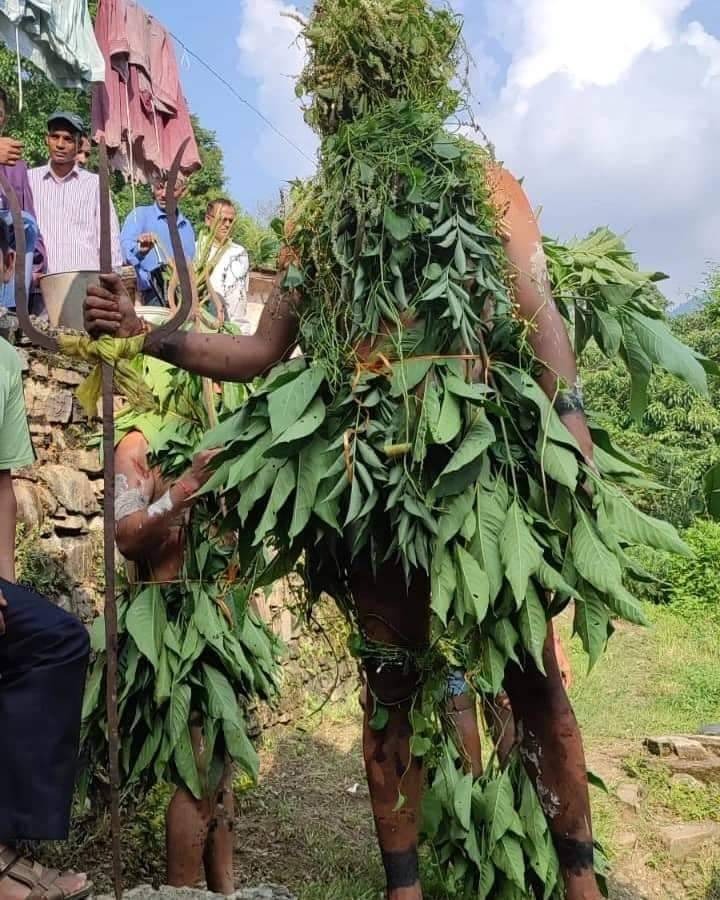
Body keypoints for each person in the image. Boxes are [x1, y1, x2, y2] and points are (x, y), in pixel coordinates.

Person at [85, 5, 684, 898]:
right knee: (392, 684)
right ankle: (403, 888)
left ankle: (580, 886)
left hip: (477, 461)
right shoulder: (322, 212)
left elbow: (540, 316)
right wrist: (148, 336)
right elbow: (258, 355)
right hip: (373, 473)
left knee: (535, 686)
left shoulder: (485, 184)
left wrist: (576, 438)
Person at [81, 329, 278, 893]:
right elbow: (124, 534)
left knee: (220, 764)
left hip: (220, 622)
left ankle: (225, 888)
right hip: (170, 628)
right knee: (195, 768)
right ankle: (183, 891)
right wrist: (182, 490)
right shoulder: (138, 446)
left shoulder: (229, 437)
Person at [0, 216, 91, 900]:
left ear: (9, 267)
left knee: (57, 640)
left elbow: (1, 484)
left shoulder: (4, 363)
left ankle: (9, 845)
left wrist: (2, 587)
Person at [28, 112, 122, 276]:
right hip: (42, 285)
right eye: (55, 137)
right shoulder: (29, 180)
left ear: (80, 144)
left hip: (85, 284)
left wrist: (112, 276)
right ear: (46, 139)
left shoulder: (94, 185)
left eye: (68, 139)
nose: (60, 144)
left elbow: (109, 236)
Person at [0, 86, 46, 310]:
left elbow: (29, 219)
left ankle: (10, 312)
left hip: (6, 272)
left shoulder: (16, 165)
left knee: (25, 221)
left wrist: (37, 268)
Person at [120, 173, 196, 307]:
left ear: (183, 192)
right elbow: (123, 252)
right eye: (159, 188)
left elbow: (189, 264)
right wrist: (140, 250)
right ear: (152, 187)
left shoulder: (187, 226)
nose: (164, 194)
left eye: (172, 189)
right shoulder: (140, 215)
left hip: (181, 298)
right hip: (148, 297)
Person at [198, 199, 251, 333]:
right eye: (223, 220)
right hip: (207, 328)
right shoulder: (196, 251)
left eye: (231, 221)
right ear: (208, 220)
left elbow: (242, 295)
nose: (227, 225)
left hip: (237, 330)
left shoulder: (240, 253)